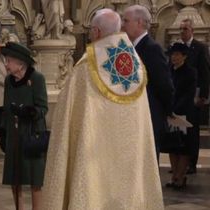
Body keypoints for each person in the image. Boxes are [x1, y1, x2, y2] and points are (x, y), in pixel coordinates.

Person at [42, 9, 164, 210]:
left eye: (90, 30)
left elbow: (67, 112)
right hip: (130, 154)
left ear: (97, 32)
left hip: (94, 155)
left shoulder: (86, 66)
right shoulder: (136, 65)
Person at [122, 5, 174, 161]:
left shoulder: (152, 48)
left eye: (126, 20)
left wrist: (166, 112)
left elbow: (164, 85)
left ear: (139, 23)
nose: (122, 25)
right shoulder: (131, 48)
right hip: (135, 117)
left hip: (150, 116)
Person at [1, 42, 48, 210]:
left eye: (8, 61)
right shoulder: (8, 81)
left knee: (35, 180)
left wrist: (30, 112)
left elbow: (43, 108)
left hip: (32, 134)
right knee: (15, 178)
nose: (5, 64)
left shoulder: (37, 78)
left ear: (20, 63)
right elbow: (7, 107)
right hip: (14, 135)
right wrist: (2, 131)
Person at [164, 43, 197, 190]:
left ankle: (180, 176)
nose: (174, 57)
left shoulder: (190, 72)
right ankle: (174, 176)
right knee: (172, 145)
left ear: (184, 56)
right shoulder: (168, 70)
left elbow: (188, 94)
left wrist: (176, 109)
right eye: (173, 54)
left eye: (177, 54)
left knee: (183, 147)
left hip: (184, 113)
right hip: (170, 112)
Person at [179, 18, 210, 174]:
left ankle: (192, 162)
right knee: (180, 130)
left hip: (194, 95)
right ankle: (180, 164)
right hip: (180, 96)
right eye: (181, 29)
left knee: (192, 131)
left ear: (192, 31)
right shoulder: (178, 48)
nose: (182, 32)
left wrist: (203, 95)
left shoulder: (200, 47)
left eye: (185, 29)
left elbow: (205, 73)